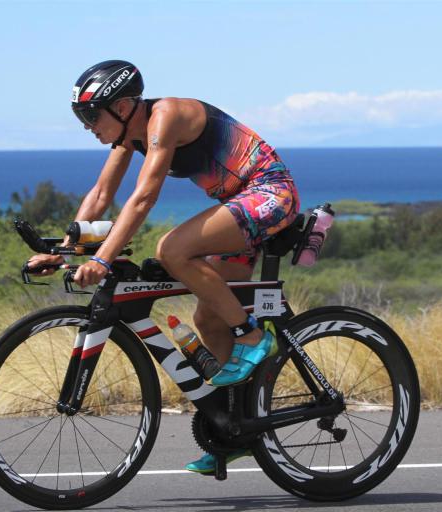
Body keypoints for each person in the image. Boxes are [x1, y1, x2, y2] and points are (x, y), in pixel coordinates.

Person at [27, 60, 300, 474]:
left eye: (91, 116)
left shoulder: (165, 116)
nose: (87, 127)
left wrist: (101, 259)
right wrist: (64, 252)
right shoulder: (128, 137)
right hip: (238, 203)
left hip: (270, 193)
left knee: (172, 250)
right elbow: (100, 195)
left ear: (122, 107)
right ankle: (235, 429)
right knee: (209, 318)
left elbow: (143, 198)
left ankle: (252, 336)